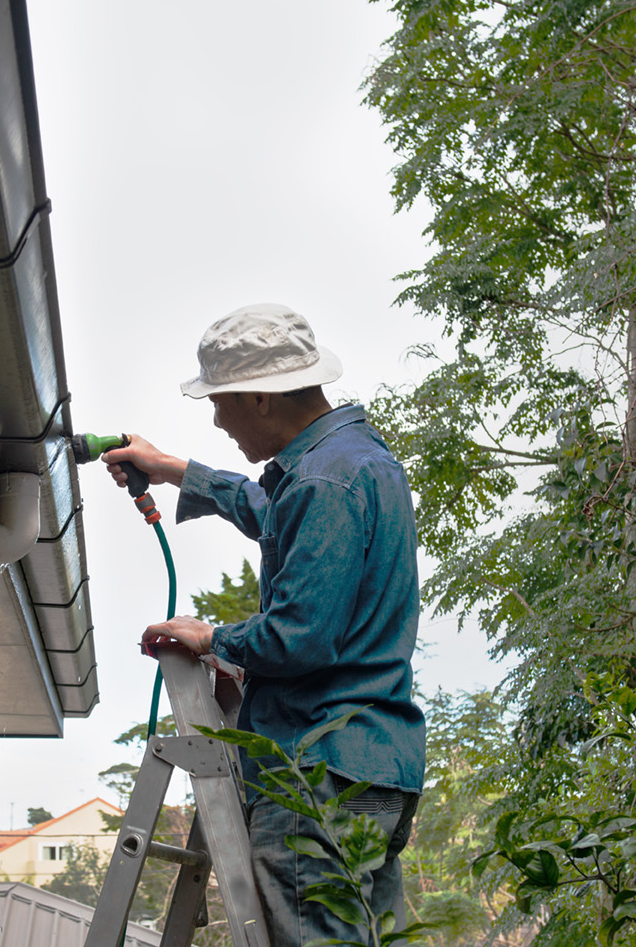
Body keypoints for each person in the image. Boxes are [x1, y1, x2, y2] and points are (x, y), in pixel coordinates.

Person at [101, 303, 425, 946]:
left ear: (259, 396)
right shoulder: (352, 461)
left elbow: (297, 638)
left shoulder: (322, 484)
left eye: (221, 402)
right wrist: (174, 470)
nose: (218, 419)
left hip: (317, 768)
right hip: (376, 766)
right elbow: (277, 511)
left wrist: (213, 638)